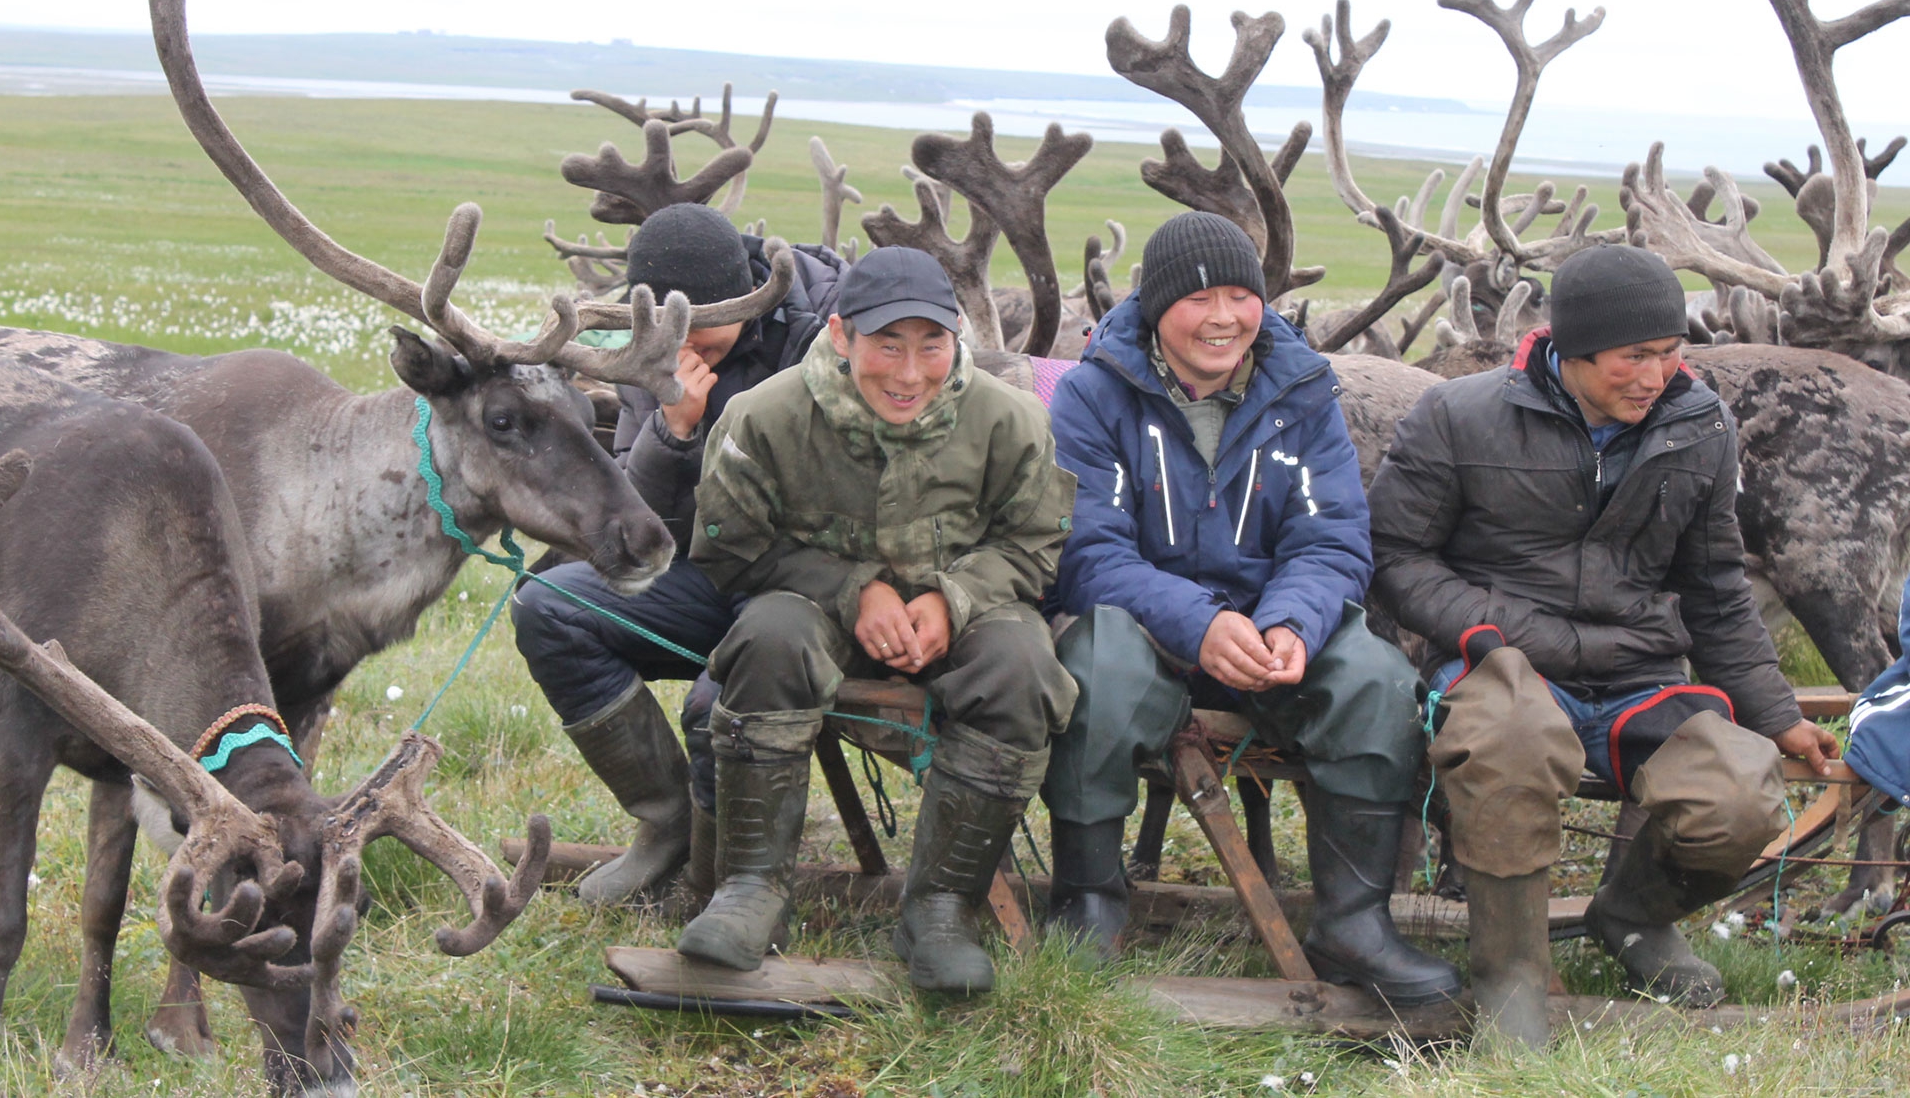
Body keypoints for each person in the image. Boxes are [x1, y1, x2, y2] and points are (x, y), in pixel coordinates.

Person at [1367, 243, 1840, 1045]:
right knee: (1510, 747)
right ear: (1573, 347)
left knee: (1740, 789)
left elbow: (1716, 586)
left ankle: (1630, 915)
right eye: (1634, 357)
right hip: (1499, 664)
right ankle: (1511, 979)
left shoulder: (1699, 426)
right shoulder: (1460, 415)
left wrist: (1775, 711)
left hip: (1637, 675)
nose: (1656, 376)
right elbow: (1396, 553)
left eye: (1669, 353)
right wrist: (1489, 628)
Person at [1041, 211, 1460, 1007]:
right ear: (1157, 305)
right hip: (1144, 630)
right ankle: (1089, 901)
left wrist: (1292, 622)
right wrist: (1197, 624)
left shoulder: (1302, 394)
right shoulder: (1093, 398)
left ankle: (1353, 921)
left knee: (1374, 678)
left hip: (1272, 631)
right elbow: (1087, 555)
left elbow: (1331, 538)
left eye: (1243, 294)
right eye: (1201, 297)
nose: (1225, 316)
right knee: (1096, 665)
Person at [677, 246, 1078, 992]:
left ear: (956, 338)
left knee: (1024, 668)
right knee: (768, 638)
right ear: (840, 334)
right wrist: (853, 589)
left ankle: (941, 910)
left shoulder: (1011, 420)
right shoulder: (762, 417)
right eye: (887, 344)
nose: (909, 371)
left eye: (931, 344)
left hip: (965, 618)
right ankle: (752, 888)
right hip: (814, 616)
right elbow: (730, 549)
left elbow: (1033, 546)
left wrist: (951, 600)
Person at [510, 203, 846, 904]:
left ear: (747, 297)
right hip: (705, 577)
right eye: (671, 331)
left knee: (713, 701)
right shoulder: (653, 356)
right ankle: (667, 823)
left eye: (704, 326)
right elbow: (636, 521)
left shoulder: (822, 338)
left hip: (801, 593)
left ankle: (721, 879)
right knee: (551, 606)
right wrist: (673, 428)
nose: (690, 346)